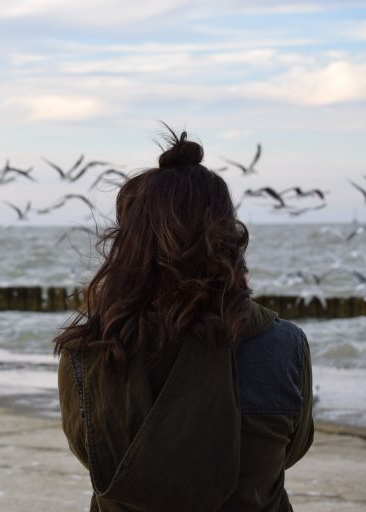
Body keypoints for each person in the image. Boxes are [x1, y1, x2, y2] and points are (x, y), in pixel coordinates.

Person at [55, 127, 314, 512]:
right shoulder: (282, 344)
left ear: (128, 245)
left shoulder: (87, 352)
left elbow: (91, 454)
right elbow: (293, 450)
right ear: (228, 238)